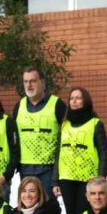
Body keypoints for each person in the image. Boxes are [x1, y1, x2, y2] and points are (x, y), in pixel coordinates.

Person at [54, 86, 107, 214]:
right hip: (66, 178)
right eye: (72, 98)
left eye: (78, 98)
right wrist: (55, 180)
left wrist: (101, 177)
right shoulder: (64, 125)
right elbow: (59, 153)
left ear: (85, 101)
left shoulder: (95, 124)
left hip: (88, 178)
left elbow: (103, 153)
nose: (74, 101)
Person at [13, 67, 67, 199]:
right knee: (28, 206)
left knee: (49, 207)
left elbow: (66, 137)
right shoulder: (18, 107)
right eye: (26, 81)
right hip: (25, 169)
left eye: (33, 81)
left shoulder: (57, 105)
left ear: (42, 82)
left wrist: (58, 173)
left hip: (48, 170)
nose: (29, 85)